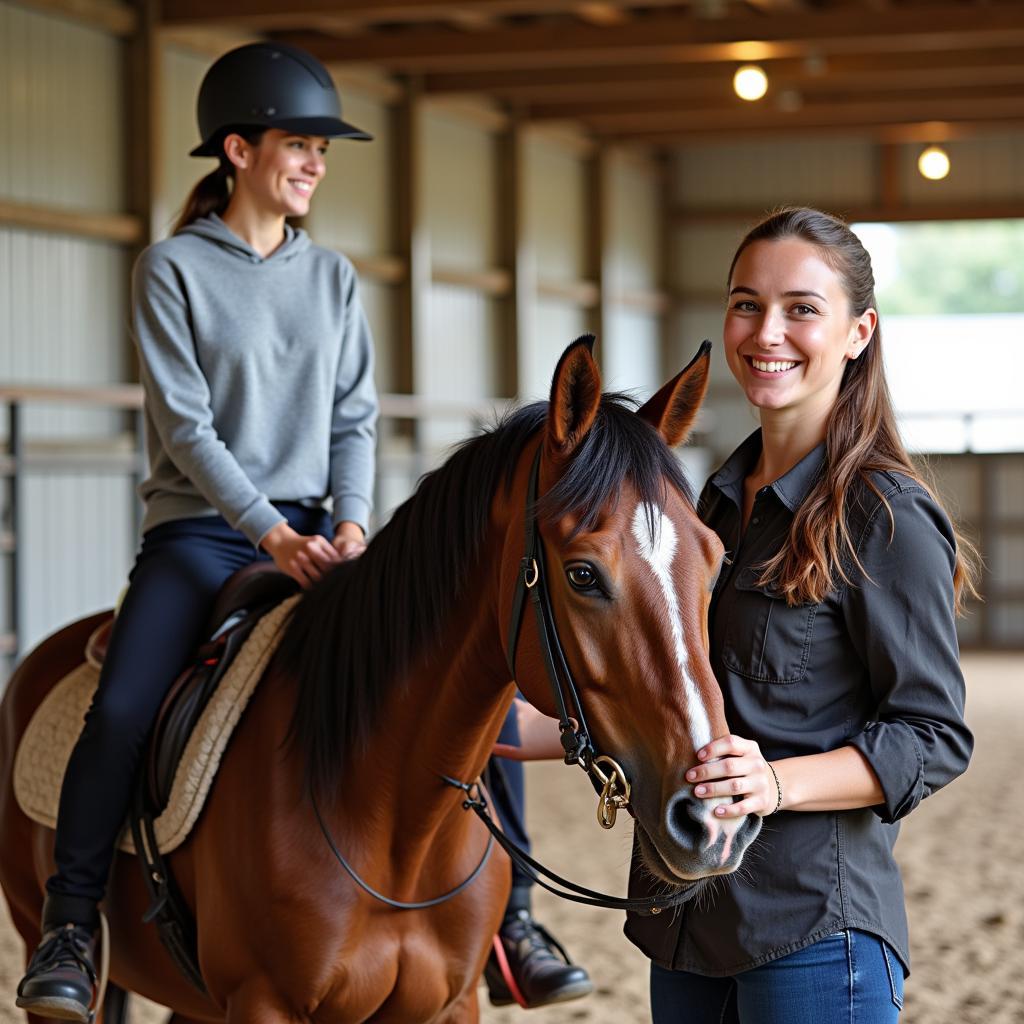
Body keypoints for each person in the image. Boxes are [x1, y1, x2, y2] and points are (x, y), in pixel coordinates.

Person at [16, 42, 379, 1021]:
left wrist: (347, 524)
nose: (315, 163)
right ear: (238, 150)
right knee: (125, 706)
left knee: (449, 665)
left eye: (320, 150)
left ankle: (512, 915)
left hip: (322, 531)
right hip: (204, 536)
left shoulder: (335, 278)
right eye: (299, 145)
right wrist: (270, 535)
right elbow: (186, 427)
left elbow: (355, 418)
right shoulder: (171, 268)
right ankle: (72, 922)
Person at [623, 207, 978, 1023]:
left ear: (859, 332)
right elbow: (676, 684)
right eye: (746, 303)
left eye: (801, 309)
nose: (766, 331)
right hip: (682, 922)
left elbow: (934, 737)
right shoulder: (703, 506)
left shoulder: (882, 516)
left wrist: (773, 784)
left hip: (812, 932)